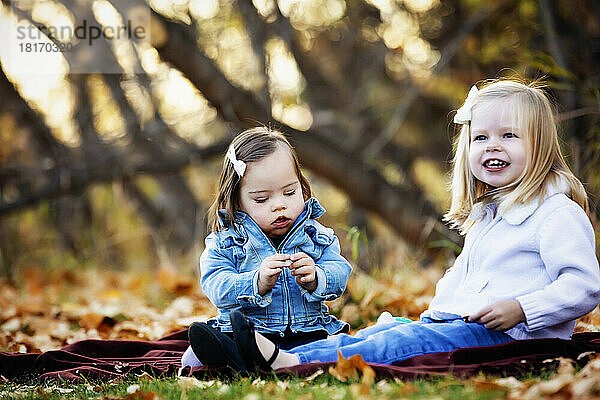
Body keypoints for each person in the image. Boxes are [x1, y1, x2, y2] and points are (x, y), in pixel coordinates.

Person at [228, 79, 600, 372]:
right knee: (387, 332)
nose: (491, 146)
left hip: (511, 335)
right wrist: (434, 315)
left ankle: (296, 363)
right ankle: (266, 353)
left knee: (398, 345)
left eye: (508, 136)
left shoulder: (556, 214)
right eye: (481, 137)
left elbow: (583, 286)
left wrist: (522, 308)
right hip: (463, 324)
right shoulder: (491, 214)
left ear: (541, 145)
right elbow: (464, 279)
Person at [182, 127, 352, 373]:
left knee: (339, 348)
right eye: (262, 199)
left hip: (308, 330)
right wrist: (256, 282)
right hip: (249, 334)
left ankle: (246, 362)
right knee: (191, 360)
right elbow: (217, 287)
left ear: (301, 186)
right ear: (237, 199)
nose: (280, 205)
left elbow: (340, 272)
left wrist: (317, 276)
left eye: (290, 192)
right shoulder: (226, 242)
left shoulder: (315, 235)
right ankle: (236, 354)